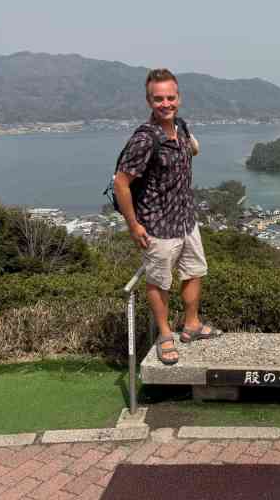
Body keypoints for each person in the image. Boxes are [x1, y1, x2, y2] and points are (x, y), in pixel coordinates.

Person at [113, 68, 221, 365]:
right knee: (159, 282)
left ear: (179, 98)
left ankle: (192, 325)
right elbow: (121, 182)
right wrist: (133, 225)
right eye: (158, 99)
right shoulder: (145, 139)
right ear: (149, 101)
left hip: (186, 219)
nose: (165, 103)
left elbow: (190, 150)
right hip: (157, 226)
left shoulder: (182, 127)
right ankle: (164, 334)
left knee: (195, 271)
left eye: (170, 97)